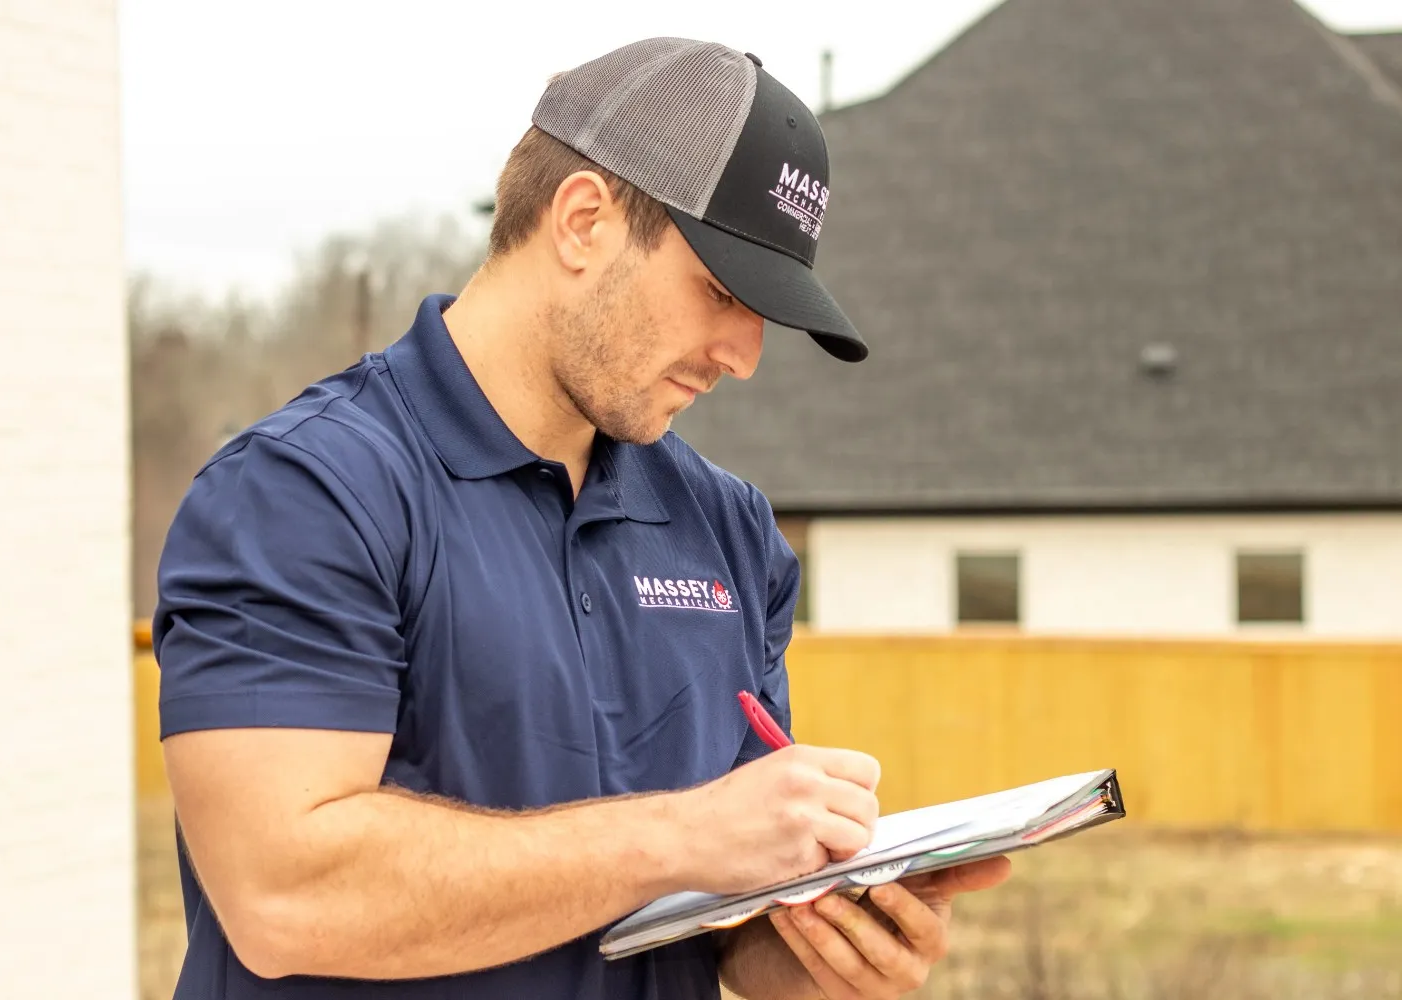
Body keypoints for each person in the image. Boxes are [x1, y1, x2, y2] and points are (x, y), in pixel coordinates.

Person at [152, 36, 1010, 1000]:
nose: (744, 354)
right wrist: (683, 833)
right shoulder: (304, 493)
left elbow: (720, 928)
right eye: (722, 291)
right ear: (584, 221)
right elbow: (285, 898)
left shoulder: (727, 531)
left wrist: (824, 955)